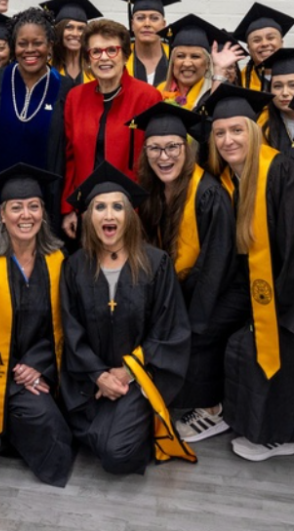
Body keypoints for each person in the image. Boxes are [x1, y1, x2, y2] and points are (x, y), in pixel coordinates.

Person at [204, 85, 294, 462]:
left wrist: (284, 310)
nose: (228, 139)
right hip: (268, 289)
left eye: (237, 130)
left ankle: (283, 434)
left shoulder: (278, 170)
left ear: (253, 131)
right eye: (220, 132)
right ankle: (256, 423)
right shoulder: (228, 178)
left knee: (271, 349)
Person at [60, 162, 195, 475]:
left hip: (138, 377)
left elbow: (168, 329)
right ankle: (115, 424)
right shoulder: (74, 266)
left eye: (117, 207)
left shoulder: (156, 263)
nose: (109, 215)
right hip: (89, 378)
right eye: (100, 207)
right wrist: (98, 374)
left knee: (116, 454)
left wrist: (125, 373)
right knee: (76, 431)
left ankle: (126, 424)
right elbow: (71, 328)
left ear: (130, 216)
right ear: (87, 217)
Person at [130, 102, 246, 442]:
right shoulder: (152, 190)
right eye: (154, 148)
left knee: (194, 333)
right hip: (186, 285)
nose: (163, 156)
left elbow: (217, 265)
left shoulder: (208, 194)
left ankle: (212, 409)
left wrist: (188, 317)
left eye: (172, 148)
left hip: (222, 290)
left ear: (187, 148)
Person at [0, 164, 73, 486]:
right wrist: (13, 373)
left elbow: (67, 325)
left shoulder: (59, 261)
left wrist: (38, 367)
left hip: (44, 370)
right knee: (43, 419)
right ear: (2, 214)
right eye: (16, 207)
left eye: (34, 206)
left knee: (58, 419)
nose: (26, 215)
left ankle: (11, 424)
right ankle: (3, 419)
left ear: (43, 213)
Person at [0, 7, 72, 229]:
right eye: (23, 43)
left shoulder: (66, 89)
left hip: (47, 202)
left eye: (38, 43)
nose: (30, 50)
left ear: (50, 45)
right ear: (14, 47)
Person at [60, 19, 162, 240]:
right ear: (88, 58)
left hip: (134, 211)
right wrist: (69, 208)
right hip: (89, 210)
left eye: (111, 50)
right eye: (95, 51)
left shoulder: (147, 97)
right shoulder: (76, 98)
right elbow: (70, 159)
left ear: (125, 55)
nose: (104, 57)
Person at [157, 14, 246, 110]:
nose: (187, 63)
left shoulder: (215, 90)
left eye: (195, 56)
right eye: (180, 56)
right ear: (173, 61)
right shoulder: (159, 91)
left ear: (207, 64)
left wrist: (219, 69)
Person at [118, 0, 180, 86]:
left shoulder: (176, 58)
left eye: (154, 18)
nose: (147, 23)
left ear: (164, 25)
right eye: (140, 18)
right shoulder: (119, 58)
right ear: (132, 24)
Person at [230, 2, 294, 92]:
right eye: (256, 40)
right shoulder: (240, 81)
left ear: (281, 43)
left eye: (270, 38)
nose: (264, 44)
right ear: (249, 48)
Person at [41, 0, 103, 86]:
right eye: (69, 27)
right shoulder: (45, 69)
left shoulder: (95, 70)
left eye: (81, 28)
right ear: (59, 30)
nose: (75, 34)